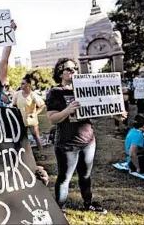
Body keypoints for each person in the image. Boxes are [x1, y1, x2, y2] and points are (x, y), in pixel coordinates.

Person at [45, 58, 107, 214]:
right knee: (64, 178)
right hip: (67, 144)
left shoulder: (83, 88)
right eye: (69, 69)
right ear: (60, 72)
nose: (73, 72)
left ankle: (88, 202)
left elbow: (98, 109)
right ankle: (60, 209)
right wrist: (68, 110)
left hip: (88, 141)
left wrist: (117, 115)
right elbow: (52, 118)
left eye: (75, 69)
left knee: (85, 175)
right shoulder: (55, 92)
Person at [13, 74, 47, 160]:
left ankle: (41, 153)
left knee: (36, 137)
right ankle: (22, 155)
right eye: (21, 84)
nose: (21, 85)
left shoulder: (33, 95)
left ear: (28, 84)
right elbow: (14, 106)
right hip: (20, 120)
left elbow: (42, 105)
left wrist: (35, 113)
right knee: (21, 138)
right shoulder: (17, 94)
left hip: (32, 120)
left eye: (23, 83)